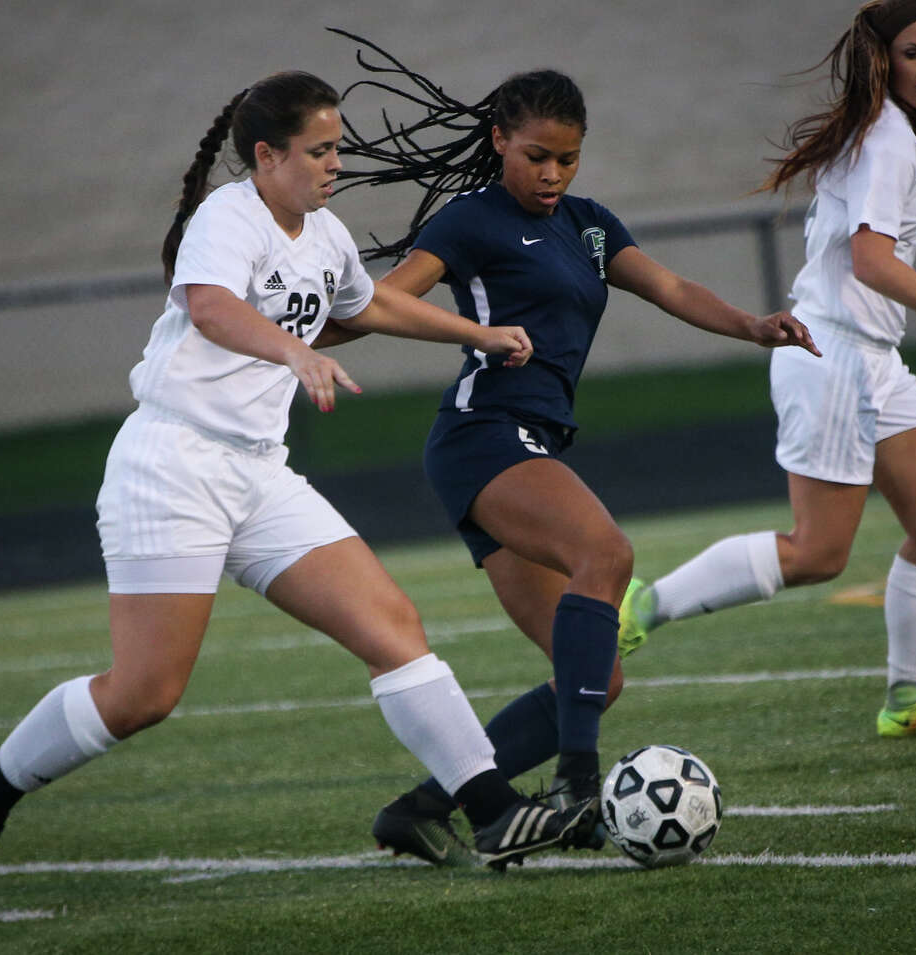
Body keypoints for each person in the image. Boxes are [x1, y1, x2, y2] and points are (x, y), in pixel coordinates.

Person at [0, 70, 599, 901]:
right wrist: (292, 349)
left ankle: (494, 809)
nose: (335, 164)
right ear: (266, 155)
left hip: (257, 471)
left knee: (392, 624)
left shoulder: (322, 233)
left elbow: (371, 308)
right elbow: (213, 308)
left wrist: (478, 333)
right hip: (173, 464)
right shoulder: (228, 217)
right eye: (320, 150)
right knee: (145, 692)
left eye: (338, 147)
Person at [316, 32, 820, 867]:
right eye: (538, 157)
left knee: (595, 678)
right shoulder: (472, 220)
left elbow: (670, 287)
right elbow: (384, 302)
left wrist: (753, 326)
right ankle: (579, 785)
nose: (553, 176)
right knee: (606, 552)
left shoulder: (589, 228)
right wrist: (305, 338)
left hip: (527, 442)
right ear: (499, 145)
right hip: (483, 436)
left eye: (569, 161)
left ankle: (418, 808)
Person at [619, 0, 916, 737]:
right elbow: (870, 261)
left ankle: (908, 699)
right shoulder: (887, 139)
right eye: (915, 53)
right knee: (819, 552)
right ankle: (643, 605)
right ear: (883, 59)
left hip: (874, 360)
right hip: (830, 354)